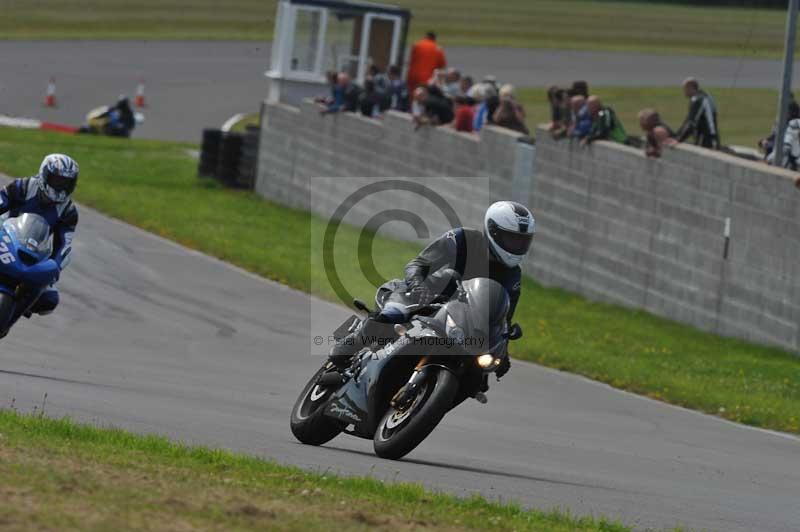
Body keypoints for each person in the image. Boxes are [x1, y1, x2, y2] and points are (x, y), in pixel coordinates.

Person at [328, 201, 536, 391]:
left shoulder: (513, 275)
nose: (517, 246)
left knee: (475, 379)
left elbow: (502, 317)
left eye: (522, 241)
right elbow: (418, 264)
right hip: (421, 298)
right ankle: (349, 346)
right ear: (493, 231)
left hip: (460, 324)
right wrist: (418, 287)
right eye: (511, 238)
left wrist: (503, 351)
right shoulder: (463, 239)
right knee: (392, 315)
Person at [0, 154, 79, 331]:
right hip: (4, 237)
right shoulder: (23, 187)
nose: (61, 186)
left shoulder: (68, 211)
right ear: (44, 175)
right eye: (57, 180)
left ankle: (8, 321)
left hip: (34, 252)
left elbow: (64, 245)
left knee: (49, 299)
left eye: (66, 183)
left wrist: (55, 266)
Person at [676, 77, 720, 149]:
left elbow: (691, 123)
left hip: (707, 139)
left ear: (690, 87)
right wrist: (677, 136)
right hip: (709, 137)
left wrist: (678, 140)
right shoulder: (704, 96)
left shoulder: (698, 100)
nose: (684, 92)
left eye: (684, 89)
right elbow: (688, 120)